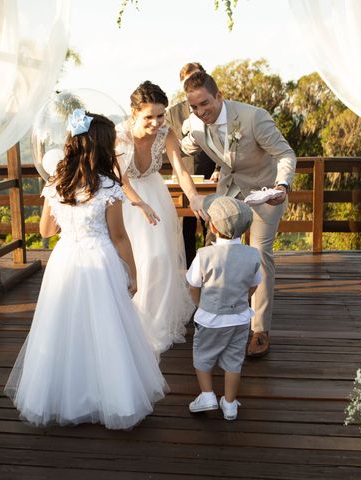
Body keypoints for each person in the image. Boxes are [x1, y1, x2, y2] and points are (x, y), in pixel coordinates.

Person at [5, 110, 167, 430]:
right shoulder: (107, 186)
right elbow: (119, 237)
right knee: (106, 329)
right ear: (101, 147)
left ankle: (65, 394)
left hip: (66, 259)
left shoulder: (56, 184)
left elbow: (47, 231)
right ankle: (108, 396)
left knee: (63, 327)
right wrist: (133, 274)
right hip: (100, 260)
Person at [181, 71, 297, 358]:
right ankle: (213, 317)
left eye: (205, 104)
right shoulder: (197, 125)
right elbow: (183, 146)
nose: (200, 112)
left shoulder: (254, 117)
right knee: (211, 250)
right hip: (229, 191)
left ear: (219, 96)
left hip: (266, 191)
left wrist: (282, 185)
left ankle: (260, 329)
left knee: (259, 253)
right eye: (194, 107)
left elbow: (285, 154)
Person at [118, 81, 206, 355]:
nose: (156, 122)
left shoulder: (166, 134)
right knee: (135, 261)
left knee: (161, 258)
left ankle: (154, 322)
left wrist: (192, 196)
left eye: (160, 115)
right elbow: (118, 177)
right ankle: (129, 322)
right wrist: (139, 203)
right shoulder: (118, 136)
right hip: (126, 200)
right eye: (149, 116)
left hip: (155, 195)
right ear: (134, 113)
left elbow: (180, 169)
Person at [186, 195, 261, 421]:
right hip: (239, 318)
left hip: (210, 319)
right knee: (234, 361)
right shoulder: (252, 254)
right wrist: (240, 299)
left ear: (213, 226)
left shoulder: (204, 255)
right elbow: (254, 284)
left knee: (203, 355)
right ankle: (229, 404)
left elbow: (193, 284)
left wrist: (201, 305)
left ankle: (207, 395)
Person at [165, 62, 217, 264]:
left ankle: (211, 266)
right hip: (183, 174)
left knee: (212, 222)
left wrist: (220, 168)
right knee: (184, 225)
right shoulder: (173, 113)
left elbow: (227, 141)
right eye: (188, 81)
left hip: (211, 172)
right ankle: (189, 270)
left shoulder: (214, 105)